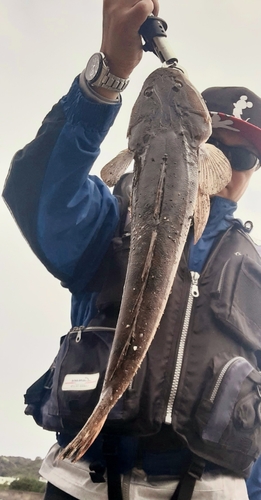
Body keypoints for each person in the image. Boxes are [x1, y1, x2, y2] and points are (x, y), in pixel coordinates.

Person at [3, 1, 261, 499]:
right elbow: (37, 191)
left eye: (243, 153)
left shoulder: (254, 273)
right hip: (90, 483)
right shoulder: (107, 220)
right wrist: (105, 81)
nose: (225, 160)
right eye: (218, 142)